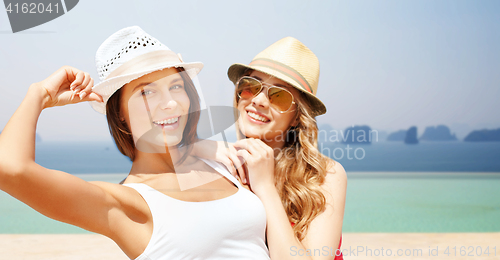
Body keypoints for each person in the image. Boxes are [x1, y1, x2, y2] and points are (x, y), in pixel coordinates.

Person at [0, 26, 270, 260]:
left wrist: (200, 146)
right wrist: (39, 94)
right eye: (147, 92)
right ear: (119, 111)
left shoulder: (222, 162)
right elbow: (10, 169)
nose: (171, 103)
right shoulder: (125, 203)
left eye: (176, 86)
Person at [196, 37, 347, 259]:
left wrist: (265, 187)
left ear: (297, 117)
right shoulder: (219, 163)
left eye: (279, 96)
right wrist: (198, 146)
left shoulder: (325, 175)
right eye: (250, 86)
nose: (258, 100)